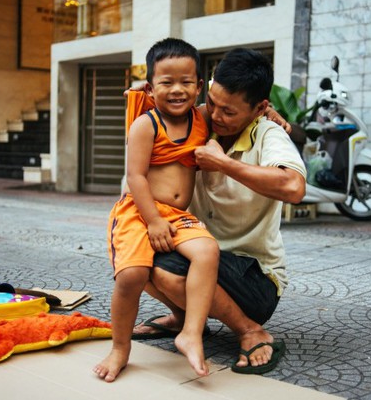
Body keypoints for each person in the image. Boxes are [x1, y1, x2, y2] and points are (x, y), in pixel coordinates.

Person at [132, 47, 307, 374]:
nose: (214, 115)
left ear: (260, 109)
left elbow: (293, 187)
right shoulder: (196, 119)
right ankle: (184, 317)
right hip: (198, 250)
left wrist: (224, 164)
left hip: (254, 276)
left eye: (228, 111)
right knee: (135, 255)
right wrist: (151, 96)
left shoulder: (267, 133)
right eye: (212, 102)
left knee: (167, 267)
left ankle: (251, 330)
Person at [93, 38, 220, 382]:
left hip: (177, 215)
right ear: (151, 88)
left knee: (208, 250)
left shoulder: (202, 117)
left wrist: (269, 112)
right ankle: (120, 348)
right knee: (132, 275)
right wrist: (153, 220)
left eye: (186, 82)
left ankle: (191, 332)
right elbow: (135, 176)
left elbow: (235, 106)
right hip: (140, 210)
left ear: (199, 86)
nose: (177, 90)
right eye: (167, 82)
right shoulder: (145, 125)